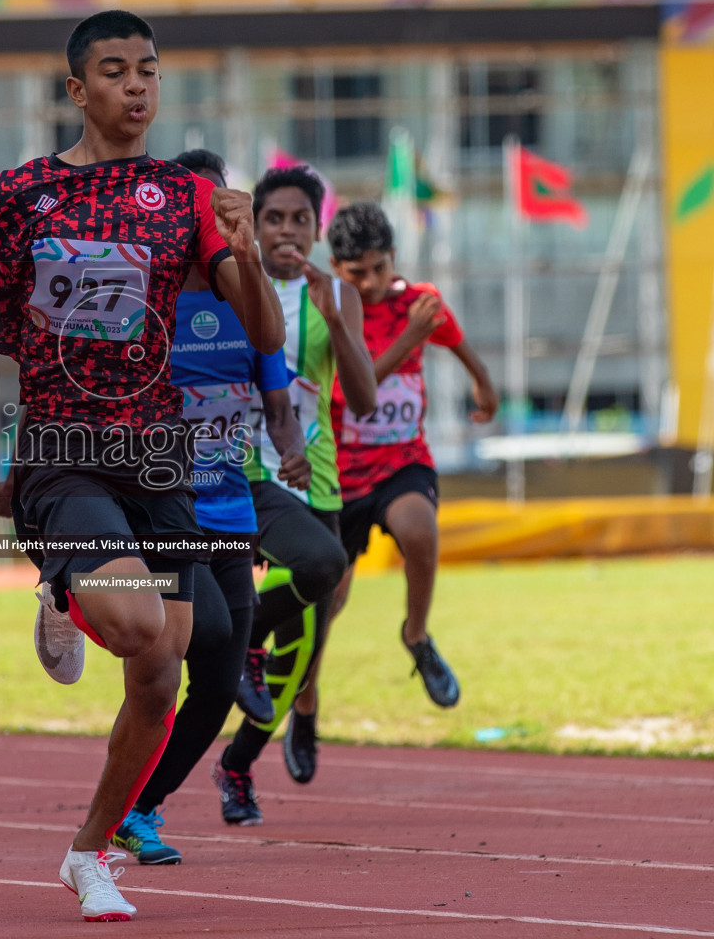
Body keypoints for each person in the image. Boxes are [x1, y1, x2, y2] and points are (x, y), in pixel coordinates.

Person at [0, 11, 283, 922]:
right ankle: (60, 582)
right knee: (131, 619)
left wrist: (241, 249)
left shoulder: (185, 198)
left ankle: (89, 855)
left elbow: (265, 335)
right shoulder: (24, 195)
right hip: (62, 452)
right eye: (114, 71)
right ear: (78, 90)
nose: (135, 87)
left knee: (162, 667)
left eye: (147, 71)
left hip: (160, 459)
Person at [110, 148, 310, 866]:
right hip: (162, 510)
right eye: (202, 205)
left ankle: (139, 808)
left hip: (230, 512)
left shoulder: (243, 303)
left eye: (225, 206)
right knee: (188, 650)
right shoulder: (142, 303)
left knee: (219, 682)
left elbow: (278, 402)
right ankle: (66, 591)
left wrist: (290, 451)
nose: (215, 219)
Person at [292, 202, 497, 741]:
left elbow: (455, 339)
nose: (372, 281)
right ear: (336, 268)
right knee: (330, 600)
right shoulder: (326, 310)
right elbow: (350, 393)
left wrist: (483, 383)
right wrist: (408, 340)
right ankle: (306, 697)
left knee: (419, 529)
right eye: (357, 273)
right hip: (336, 477)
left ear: (394, 259)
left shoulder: (418, 302)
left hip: (401, 461)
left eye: (380, 268)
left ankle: (416, 635)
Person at [213, 166, 377, 825]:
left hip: (314, 484)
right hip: (238, 476)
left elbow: (363, 399)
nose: (286, 231)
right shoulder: (225, 279)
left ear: (317, 228)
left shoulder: (335, 294)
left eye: (299, 220)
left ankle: (237, 763)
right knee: (273, 628)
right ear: (256, 223)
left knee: (301, 653)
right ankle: (241, 642)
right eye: (273, 218)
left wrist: (338, 323)